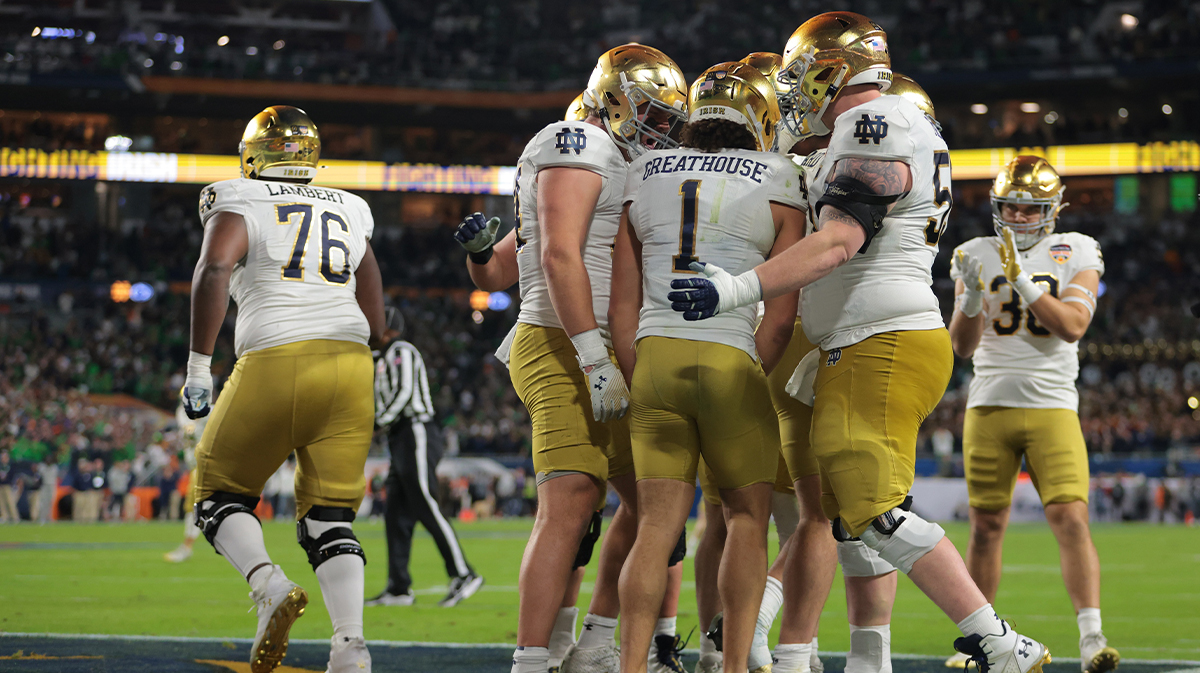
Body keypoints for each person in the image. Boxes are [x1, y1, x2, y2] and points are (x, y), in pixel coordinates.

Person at [666, 12, 1052, 673]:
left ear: (829, 70)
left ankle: (997, 640)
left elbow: (841, 239)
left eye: (798, 76)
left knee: (872, 507)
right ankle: (793, 639)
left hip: (884, 336)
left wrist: (734, 290)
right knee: (850, 512)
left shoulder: (872, 123)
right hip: (861, 338)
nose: (791, 91)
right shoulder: (877, 124)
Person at [454, 45, 688, 673]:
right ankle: (531, 660)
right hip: (563, 340)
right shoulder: (575, 142)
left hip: (605, 342)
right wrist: (592, 355)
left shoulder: (610, 158)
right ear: (613, 99)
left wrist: (480, 254)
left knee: (654, 506)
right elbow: (556, 256)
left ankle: (593, 643)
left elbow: (502, 265)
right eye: (654, 114)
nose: (662, 130)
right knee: (572, 496)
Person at [609, 60, 805, 673]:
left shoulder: (643, 169)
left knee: (655, 529)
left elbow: (623, 299)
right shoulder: (781, 174)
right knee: (747, 518)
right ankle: (734, 666)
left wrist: (639, 365)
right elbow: (780, 313)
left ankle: (633, 665)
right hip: (730, 354)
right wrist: (750, 368)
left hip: (655, 355)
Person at [182, 105, 385, 673]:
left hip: (279, 353)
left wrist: (200, 366)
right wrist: (379, 341)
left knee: (218, 493)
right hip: (351, 363)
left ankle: (268, 583)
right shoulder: (352, 205)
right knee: (329, 519)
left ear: (253, 155)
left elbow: (216, 267)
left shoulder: (237, 196)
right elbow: (370, 274)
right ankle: (351, 648)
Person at [946, 156, 1117, 673]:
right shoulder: (974, 253)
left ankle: (1092, 638)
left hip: (1052, 404)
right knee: (985, 527)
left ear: (1053, 210)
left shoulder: (1077, 249)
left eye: (1030, 208)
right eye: (1011, 207)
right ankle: (982, 640)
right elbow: (961, 345)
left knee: (1070, 517)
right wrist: (973, 296)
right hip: (990, 402)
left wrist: (1024, 284)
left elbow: (1072, 325)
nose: (1019, 217)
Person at [366, 306, 483, 608]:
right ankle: (399, 587)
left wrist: (378, 422)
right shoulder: (378, 358)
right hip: (399, 434)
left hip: (415, 429)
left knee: (424, 502)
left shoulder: (400, 350)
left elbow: (404, 391)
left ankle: (463, 573)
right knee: (395, 510)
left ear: (387, 327)